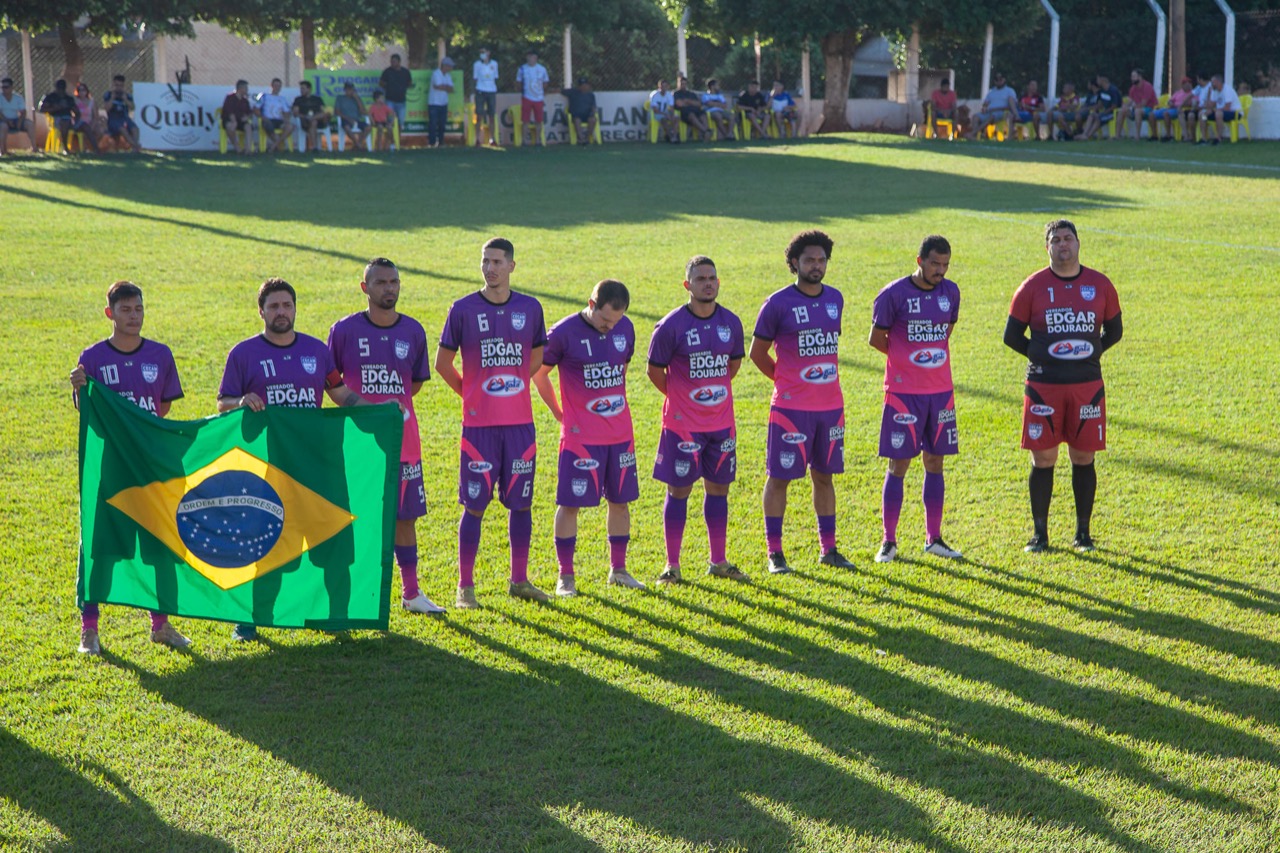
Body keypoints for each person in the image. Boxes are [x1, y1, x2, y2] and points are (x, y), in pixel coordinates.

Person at [216, 278, 375, 640]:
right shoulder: (244, 354)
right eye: (273, 306)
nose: (281, 312)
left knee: (334, 545)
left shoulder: (317, 351)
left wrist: (379, 413)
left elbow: (341, 394)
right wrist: (240, 403)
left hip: (321, 467)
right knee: (267, 546)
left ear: (295, 308)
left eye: (287, 305)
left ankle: (338, 619)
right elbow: (223, 403)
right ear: (261, 312)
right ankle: (252, 621)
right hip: (272, 470)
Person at [69, 281, 192, 655]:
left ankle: (162, 625)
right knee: (99, 547)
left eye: (138, 309)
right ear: (110, 313)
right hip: (111, 469)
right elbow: (85, 407)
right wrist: (78, 388)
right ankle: (89, 630)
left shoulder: (160, 354)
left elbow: (164, 408)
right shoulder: (92, 358)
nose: (133, 316)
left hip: (153, 467)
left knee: (161, 546)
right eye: (125, 310)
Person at [434, 238, 549, 608]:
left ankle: (519, 580)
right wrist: (471, 396)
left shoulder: (530, 308)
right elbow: (442, 364)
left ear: (512, 266)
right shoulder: (463, 309)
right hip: (479, 429)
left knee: (522, 504)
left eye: (497, 261)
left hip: (520, 427)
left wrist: (510, 387)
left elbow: (536, 357)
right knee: (475, 506)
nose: (490, 268)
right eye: (485, 261)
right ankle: (464, 588)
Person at [328, 259, 444, 615]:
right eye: (380, 283)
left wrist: (390, 409)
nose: (389, 288)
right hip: (360, 443)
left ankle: (411, 593)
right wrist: (364, 406)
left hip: (403, 441)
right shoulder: (344, 330)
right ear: (365, 287)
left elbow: (416, 383)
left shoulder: (412, 331)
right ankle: (358, 598)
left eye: (394, 282)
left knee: (404, 518)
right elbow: (331, 384)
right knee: (358, 519)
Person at [1003, 220, 1123, 553]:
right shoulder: (1032, 287)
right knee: (1043, 458)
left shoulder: (1100, 285)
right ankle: (1040, 535)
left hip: (1087, 386)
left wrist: (1088, 354)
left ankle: (1083, 534)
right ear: (1047, 248)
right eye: (1055, 240)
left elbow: (1114, 332)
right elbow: (1011, 336)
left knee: (1083, 457)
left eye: (1068, 238)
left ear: (1079, 243)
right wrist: (1042, 357)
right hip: (1043, 387)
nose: (1063, 244)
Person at [749, 230, 854, 574]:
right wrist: (785, 381)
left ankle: (829, 549)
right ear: (794, 263)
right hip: (791, 410)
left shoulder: (835, 299)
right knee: (779, 478)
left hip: (830, 408)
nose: (816, 266)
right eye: (809, 260)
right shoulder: (777, 303)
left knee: (825, 478)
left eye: (821, 260)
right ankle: (775, 553)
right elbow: (757, 353)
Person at [532, 280, 645, 595]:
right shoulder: (563, 333)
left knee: (621, 502)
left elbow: (619, 369)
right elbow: (538, 373)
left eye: (616, 321)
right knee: (570, 504)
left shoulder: (625, 329)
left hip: (620, 435)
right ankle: (565, 576)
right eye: (605, 320)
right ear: (591, 303)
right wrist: (558, 411)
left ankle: (618, 570)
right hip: (581, 438)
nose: (610, 327)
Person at [647, 256, 747, 584]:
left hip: (721, 423)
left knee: (719, 489)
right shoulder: (671, 326)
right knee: (679, 491)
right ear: (686, 284)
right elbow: (654, 371)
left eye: (712, 278)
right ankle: (672, 566)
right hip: (682, 426)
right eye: (701, 278)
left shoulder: (731, 323)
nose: (708, 283)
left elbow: (732, 366)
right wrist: (680, 397)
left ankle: (718, 561)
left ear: (719, 283)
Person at [868, 237, 963, 563]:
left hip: (940, 394)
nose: (940, 270)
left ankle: (933, 538)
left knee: (935, 463)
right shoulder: (893, 295)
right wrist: (906, 359)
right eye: (935, 264)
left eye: (945, 265)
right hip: (903, 395)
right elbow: (876, 339)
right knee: (899, 465)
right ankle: (889, 542)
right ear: (919, 260)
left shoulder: (950, 292)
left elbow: (945, 331)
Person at [516, 50, 550, 145]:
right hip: (527, 97)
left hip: (538, 98)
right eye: (529, 57)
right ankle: (524, 140)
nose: (531, 59)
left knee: (539, 120)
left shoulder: (542, 69)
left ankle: (538, 140)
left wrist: (541, 91)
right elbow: (518, 82)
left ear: (536, 58)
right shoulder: (522, 69)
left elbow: (545, 82)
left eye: (533, 57)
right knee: (525, 120)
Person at [37, 79, 80, 155]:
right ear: (56, 88)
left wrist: (76, 118)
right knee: (64, 123)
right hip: (54, 119)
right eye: (59, 88)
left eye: (62, 88)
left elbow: (77, 112)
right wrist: (57, 108)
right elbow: (42, 109)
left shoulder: (69, 98)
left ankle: (96, 151)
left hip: (68, 119)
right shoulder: (50, 97)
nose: (60, 90)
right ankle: (65, 148)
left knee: (68, 122)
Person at [102, 74, 142, 153]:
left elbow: (132, 107)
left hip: (125, 118)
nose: (119, 87)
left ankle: (134, 148)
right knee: (123, 129)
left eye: (121, 85)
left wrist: (125, 99)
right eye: (117, 85)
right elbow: (106, 108)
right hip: (113, 119)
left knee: (135, 129)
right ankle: (136, 146)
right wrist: (112, 98)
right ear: (113, 84)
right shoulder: (109, 94)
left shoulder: (127, 95)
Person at [1198, 74, 1241, 146]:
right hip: (1219, 112)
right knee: (1202, 114)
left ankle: (1218, 138)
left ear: (1218, 82)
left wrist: (1214, 110)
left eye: (1213, 82)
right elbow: (1210, 105)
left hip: (1234, 112)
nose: (1211, 84)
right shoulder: (1215, 91)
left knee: (1218, 114)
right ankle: (1204, 138)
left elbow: (1227, 108)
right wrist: (1209, 94)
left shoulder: (1227, 90)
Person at [1116, 69, 1158, 141]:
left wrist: (1132, 107)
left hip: (1149, 108)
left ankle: (1137, 136)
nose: (1132, 78)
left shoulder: (1147, 86)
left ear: (1140, 77)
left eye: (1134, 76)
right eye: (1131, 77)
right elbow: (1130, 101)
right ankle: (1117, 136)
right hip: (1137, 108)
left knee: (1137, 111)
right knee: (1121, 111)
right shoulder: (1133, 88)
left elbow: (1144, 104)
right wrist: (1125, 106)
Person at [1076, 75, 1122, 141]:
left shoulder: (1113, 90)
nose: (1097, 82)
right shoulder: (1102, 91)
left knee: (1098, 118)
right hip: (1104, 112)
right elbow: (1100, 104)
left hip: (1113, 113)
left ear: (1102, 80)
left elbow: (1114, 106)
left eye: (1098, 80)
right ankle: (1084, 134)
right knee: (1091, 116)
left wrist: (1104, 113)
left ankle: (1088, 136)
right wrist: (1095, 110)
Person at [972, 72, 1017, 139]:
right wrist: (984, 108)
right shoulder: (991, 92)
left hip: (1002, 112)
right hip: (989, 112)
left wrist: (995, 109)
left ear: (1004, 80)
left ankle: (973, 133)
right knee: (975, 117)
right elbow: (985, 103)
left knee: (992, 116)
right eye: (996, 79)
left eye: (1000, 79)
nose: (998, 81)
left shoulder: (1010, 91)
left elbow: (1011, 106)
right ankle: (974, 137)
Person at [257, 77, 294, 154]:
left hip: (279, 121)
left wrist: (286, 120)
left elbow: (287, 112)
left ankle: (273, 146)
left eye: (279, 86)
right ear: (271, 86)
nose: (277, 88)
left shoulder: (282, 99)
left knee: (290, 126)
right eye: (275, 85)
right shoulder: (263, 96)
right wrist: (262, 117)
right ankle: (278, 146)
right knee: (268, 125)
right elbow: (255, 109)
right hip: (268, 120)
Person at [0, 77, 35, 156]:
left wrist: (19, 121)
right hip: (3, 120)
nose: (4, 89)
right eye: (2, 87)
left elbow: (23, 112)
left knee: (29, 124)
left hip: (15, 119)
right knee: (3, 126)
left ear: (12, 87)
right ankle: (3, 151)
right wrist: (7, 121)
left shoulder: (18, 98)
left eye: (6, 87)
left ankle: (34, 148)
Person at [291, 80, 329, 152]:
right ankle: (314, 147)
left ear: (309, 89)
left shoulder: (317, 99)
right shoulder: (298, 99)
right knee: (313, 122)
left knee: (321, 116)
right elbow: (295, 113)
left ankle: (314, 146)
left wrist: (313, 117)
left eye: (303, 88)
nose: (301, 90)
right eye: (301, 88)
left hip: (319, 120)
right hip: (305, 121)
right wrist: (305, 117)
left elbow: (323, 111)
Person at [1154, 76, 1195, 142]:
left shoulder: (1193, 93)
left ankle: (1170, 135)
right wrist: (1171, 103)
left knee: (1166, 113)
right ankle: (1161, 135)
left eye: (1189, 83)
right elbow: (1170, 100)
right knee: (1153, 114)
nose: (1188, 85)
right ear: (1182, 85)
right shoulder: (1178, 92)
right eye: (1186, 84)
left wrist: (1179, 105)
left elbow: (1193, 103)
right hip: (1172, 108)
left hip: (1183, 109)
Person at [378, 53, 413, 130]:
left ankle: (398, 140)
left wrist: (403, 87)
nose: (392, 63)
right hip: (390, 100)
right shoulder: (387, 71)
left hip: (401, 101)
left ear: (399, 62)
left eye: (394, 61)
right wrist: (388, 87)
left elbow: (410, 83)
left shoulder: (405, 72)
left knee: (401, 122)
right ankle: (391, 140)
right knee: (390, 121)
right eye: (391, 61)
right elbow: (381, 83)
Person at [221, 80, 255, 155]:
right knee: (230, 126)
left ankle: (248, 150)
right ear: (240, 88)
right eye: (246, 88)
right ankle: (238, 148)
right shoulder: (230, 98)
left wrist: (247, 117)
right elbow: (229, 111)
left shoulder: (245, 100)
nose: (247, 90)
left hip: (241, 121)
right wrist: (234, 121)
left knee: (248, 127)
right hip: (230, 120)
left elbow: (249, 113)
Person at [472, 48, 499, 146]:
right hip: (480, 91)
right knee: (479, 115)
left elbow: (495, 77)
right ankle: (477, 139)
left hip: (491, 91)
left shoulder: (494, 64)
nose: (482, 54)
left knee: (491, 115)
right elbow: (475, 78)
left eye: (484, 52)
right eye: (481, 53)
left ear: (489, 52)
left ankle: (492, 138)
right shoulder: (477, 65)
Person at [561, 77, 599, 144]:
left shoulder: (591, 95)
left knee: (592, 120)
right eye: (581, 85)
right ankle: (581, 138)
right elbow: (560, 91)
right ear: (578, 86)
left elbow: (593, 106)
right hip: (576, 115)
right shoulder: (572, 92)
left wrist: (593, 113)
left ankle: (587, 137)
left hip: (587, 114)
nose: (583, 86)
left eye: (585, 85)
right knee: (577, 120)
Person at [672, 75, 710, 141]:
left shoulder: (691, 94)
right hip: (684, 114)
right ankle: (706, 131)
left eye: (685, 84)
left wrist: (687, 101)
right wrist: (692, 102)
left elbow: (699, 104)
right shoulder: (676, 94)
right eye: (682, 84)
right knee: (691, 115)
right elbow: (679, 104)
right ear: (678, 84)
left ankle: (706, 133)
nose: (683, 85)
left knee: (703, 114)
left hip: (696, 110)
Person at [333, 82, 369, 150]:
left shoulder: (357, 99)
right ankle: (358, 145)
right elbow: (337, 112)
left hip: (357, 120)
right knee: (347, 127)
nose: (349, 91)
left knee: (368, 127)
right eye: (347, 89)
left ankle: (357, 144)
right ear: (344, 90)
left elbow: (363, 111)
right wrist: (348, 119)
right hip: (346, 119)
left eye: (351, 89)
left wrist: (357, 98)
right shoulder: (340, 98)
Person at [428, 56, 454, 148]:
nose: (451, 68)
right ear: (445, 66)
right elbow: (438, 86)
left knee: (442, 123)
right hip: (434, 103)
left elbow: (451, 89)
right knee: (433, 123)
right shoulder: (436, 74)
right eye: (450, 66)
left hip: (443, 103)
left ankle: (441, 142)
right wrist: (446, 87)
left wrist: (444, 87)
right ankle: (431, 142)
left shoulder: (448, 76)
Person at [72, 82, 101, 152]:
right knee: (86, 127)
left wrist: (93, 125)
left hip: (90, 122)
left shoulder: (92, 102)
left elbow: (96, 116)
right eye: (80, 90)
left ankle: (90, 148)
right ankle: (96, 149)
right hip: (78, 123)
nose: (82, 92)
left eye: (83, 90)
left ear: (87, 91)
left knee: (100, 131)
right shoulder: (75, 101)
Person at [648, 78, 679, 143]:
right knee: (663, 120)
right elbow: (655, 110)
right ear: (659, 87)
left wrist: (671, 115)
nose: (664, 88)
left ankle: (674, 136)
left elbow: (671, 107)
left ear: (668, 87)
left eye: (665, 86)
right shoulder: (655, 95)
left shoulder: (669, 95)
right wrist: (665, 114)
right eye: (662, 86)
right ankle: (671, 137)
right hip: (657, 114)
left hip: (666, 113)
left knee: (676, 118)